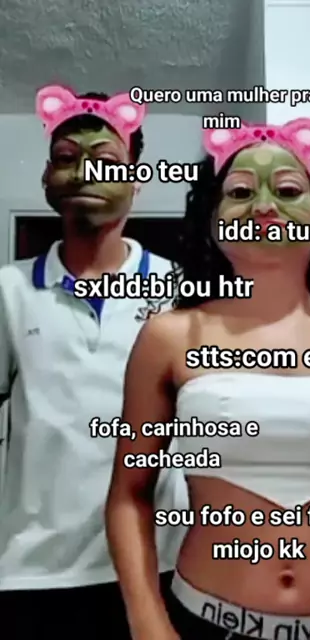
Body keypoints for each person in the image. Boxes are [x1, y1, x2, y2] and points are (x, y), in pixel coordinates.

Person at [105, 118, 310, 640]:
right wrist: (148, 624)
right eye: (240, 192)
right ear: (214, 219)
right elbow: (130, 494)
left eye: (287, 190)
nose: (263, 206)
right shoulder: (168, 338)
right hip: (206, 624)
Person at [0, 85, 188, 639]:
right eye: (65, 157)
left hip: (162, 566)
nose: (85, 170)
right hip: (33, 574)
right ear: (46, 178)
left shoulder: (181, 289)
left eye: (106, 159)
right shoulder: (8, 291)